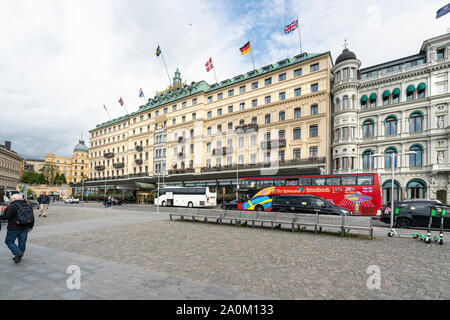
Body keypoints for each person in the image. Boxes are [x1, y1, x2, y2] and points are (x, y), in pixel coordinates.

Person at [0, 193, 34, 264]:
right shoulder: (28, 205)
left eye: (11, 199)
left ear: (14, 199)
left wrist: (2, 213)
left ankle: (18, 252)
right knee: (22, 241)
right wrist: (31, 226)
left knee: (9, 241)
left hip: (14, 227)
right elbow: (32, 217)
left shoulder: (12, 206)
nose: (10, 200)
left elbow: (6, 216)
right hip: (25, 227)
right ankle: (19, 256)